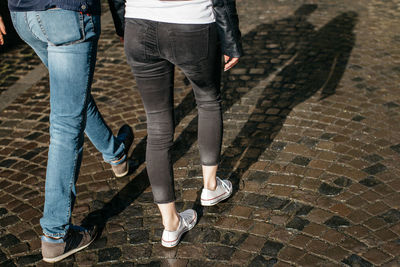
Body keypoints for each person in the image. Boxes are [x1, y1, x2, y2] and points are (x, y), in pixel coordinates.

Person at [3, 0, 133, 263]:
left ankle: (115, 153)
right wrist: (123, 20)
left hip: (24, 15)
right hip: (66, 13)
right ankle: (55, 236)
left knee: (73, 97)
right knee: (66, 123)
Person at [111, 0, 243, 247]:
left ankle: (171, 224)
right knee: (208, 101)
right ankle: (211, 187)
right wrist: (230, 37)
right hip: (192, 22)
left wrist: (122, 25)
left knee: (157, 124)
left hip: (138, 23)